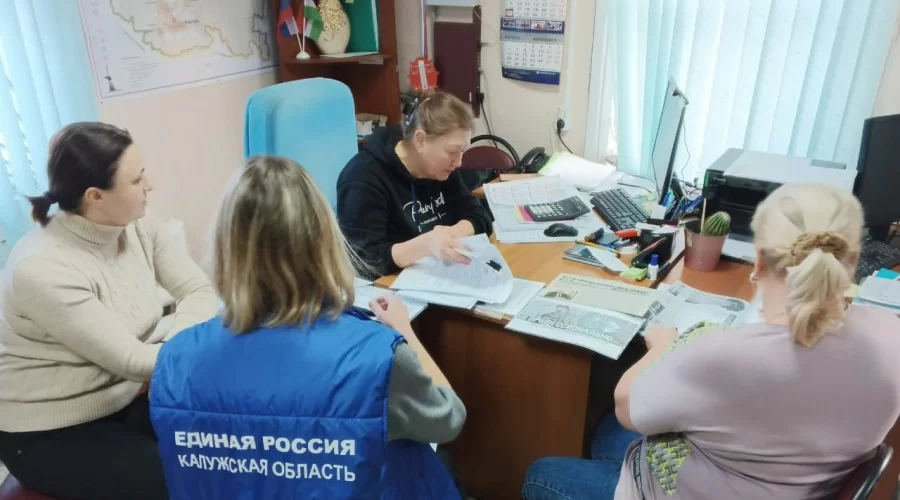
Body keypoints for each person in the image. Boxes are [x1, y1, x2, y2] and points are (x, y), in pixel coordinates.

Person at [523, 183, 900, 500]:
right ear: (854, 262)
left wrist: (662, 347)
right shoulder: (891, 335)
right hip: (789, 485)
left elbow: (625, 405)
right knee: (607, 435)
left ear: (758, 262)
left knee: (544, 472)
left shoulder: (725, 356)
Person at [150, 156, 467, 499]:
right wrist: (405, 331)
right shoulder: (376, 357)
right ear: (324, 244)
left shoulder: (175, 360)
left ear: (226, 247)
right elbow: (447, 419)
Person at [0, 122, 219, 499]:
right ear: (95, 196)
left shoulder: (137, 224)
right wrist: (192, 347)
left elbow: (198, 290)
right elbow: (132, 361)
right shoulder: (41, 268)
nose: (149, 186)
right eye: (136, 180)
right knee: (183, 483)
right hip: (49, 431)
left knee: (229, 447)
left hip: (126, 397)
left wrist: (177, 341)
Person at [337, 90, 493, 278]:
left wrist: (454, 233)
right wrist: (426, 244)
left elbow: (479, 215)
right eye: (453, 151)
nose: (459, 162)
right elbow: (365, 260)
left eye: (463, 151)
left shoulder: (440, 168)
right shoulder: (363, 178)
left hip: (438, 275)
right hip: (389, 286)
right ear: (420, 140)